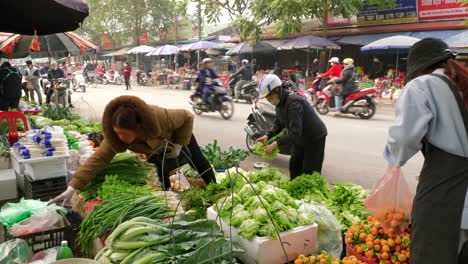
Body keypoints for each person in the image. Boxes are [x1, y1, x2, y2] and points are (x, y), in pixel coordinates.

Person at [383, 38, 468, 264]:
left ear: (420, 68)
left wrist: (392, 160)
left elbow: (401, 143)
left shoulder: (423, 86)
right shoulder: (463, 83)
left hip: (445, 199)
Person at [50, 95, 216, 204]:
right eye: (117, 133)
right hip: (157, 149)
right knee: (163, 174)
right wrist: (73, 188)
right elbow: (97, 159)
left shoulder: (158, 116)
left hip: (178, 137)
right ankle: (172, 204)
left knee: (198, 161)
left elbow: (188, 116)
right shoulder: (116, 138)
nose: (120, 137)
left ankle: (215, 190)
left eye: (124, 134)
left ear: (138, 128)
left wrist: (179, 144)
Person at [256, 74, 327, 179]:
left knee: (310, 172)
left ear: (278, 90)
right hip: (300, 137)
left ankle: (309, 192)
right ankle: (295, 191)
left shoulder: (293, 103)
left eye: (270, 97)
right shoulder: (280, 104)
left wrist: (276, 143)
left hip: (314, 137)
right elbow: (279, 123)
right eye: (267, 98)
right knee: (294, 165)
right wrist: (268, 135)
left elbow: (295, 132)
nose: (270, 100)